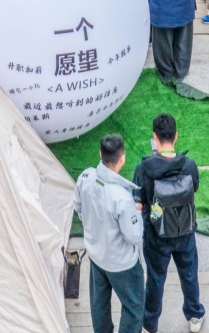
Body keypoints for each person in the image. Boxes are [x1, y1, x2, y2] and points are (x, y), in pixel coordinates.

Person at [133, 112, 204, 333]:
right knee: (189, 275)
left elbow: (137, 201)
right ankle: (194, 315)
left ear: (155, 137)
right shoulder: (189, 165)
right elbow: (194, 187)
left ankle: (150, 324)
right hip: (185, 231)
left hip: (156, 236)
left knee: (155, 280)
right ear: (176, 136)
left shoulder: (144, 168)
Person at [75, 132, 145, 333]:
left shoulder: (85, 177)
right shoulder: (121, 197)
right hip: (122, 264)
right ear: (122, 158)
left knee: (99, 306)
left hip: (96, 257)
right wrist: (137, 215)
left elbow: (78, 206)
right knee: (133, 308)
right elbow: (134, 235)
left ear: (100, 153)